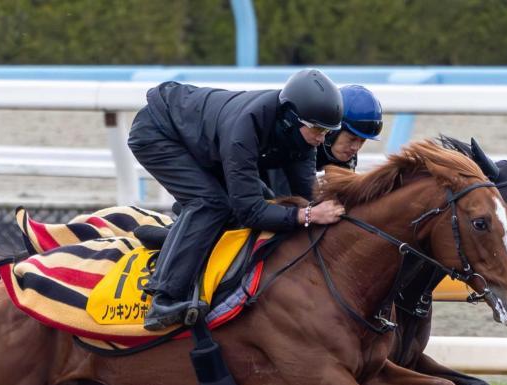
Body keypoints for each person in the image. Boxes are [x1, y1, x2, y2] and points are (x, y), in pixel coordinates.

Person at [127, 69, 347, 331]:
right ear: (290, 118)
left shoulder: (302, 139)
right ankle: (164, 299)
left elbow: (305, 198)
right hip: (158, 132)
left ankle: (169, 238)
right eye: (318, 129)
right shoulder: (245, 128)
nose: (322, 139)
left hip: (201, 137)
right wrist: (307, 216)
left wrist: (325, 210)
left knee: (265, 199)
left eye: (328, 131)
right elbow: (251, 212)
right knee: (210, 203)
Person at [316, 84, 384, 172]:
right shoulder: (303, 147)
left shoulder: (346, 154)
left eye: (362, 141)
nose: (356, 148)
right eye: (351, 139)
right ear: (331, 131)